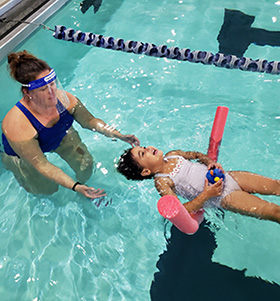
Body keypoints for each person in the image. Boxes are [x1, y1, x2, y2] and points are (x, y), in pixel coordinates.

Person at [1, 50, 140, 199]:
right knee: (46, 189)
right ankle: (8, 161)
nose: (51, 92)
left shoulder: (64, 99)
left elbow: (90, 121)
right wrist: (74, 186)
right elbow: (42, 165)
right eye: (43, 89)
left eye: (52, 84)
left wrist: (118, 135)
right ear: (27, 92)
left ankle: (83, 190)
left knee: (85, 166)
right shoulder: (18, 123)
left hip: (58, 136)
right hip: (24, 151)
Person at [117, 146, 280, 224]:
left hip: (229, 177)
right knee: (274, 211)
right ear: (145, 172)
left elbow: (195, 155)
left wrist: (210, 163)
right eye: (143, 153)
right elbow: (181, 211)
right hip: (223, 197)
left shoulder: (172, 155)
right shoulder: (162, 182)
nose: (148, 148)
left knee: (276, 186)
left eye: (144, 147)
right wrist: (206, 196)